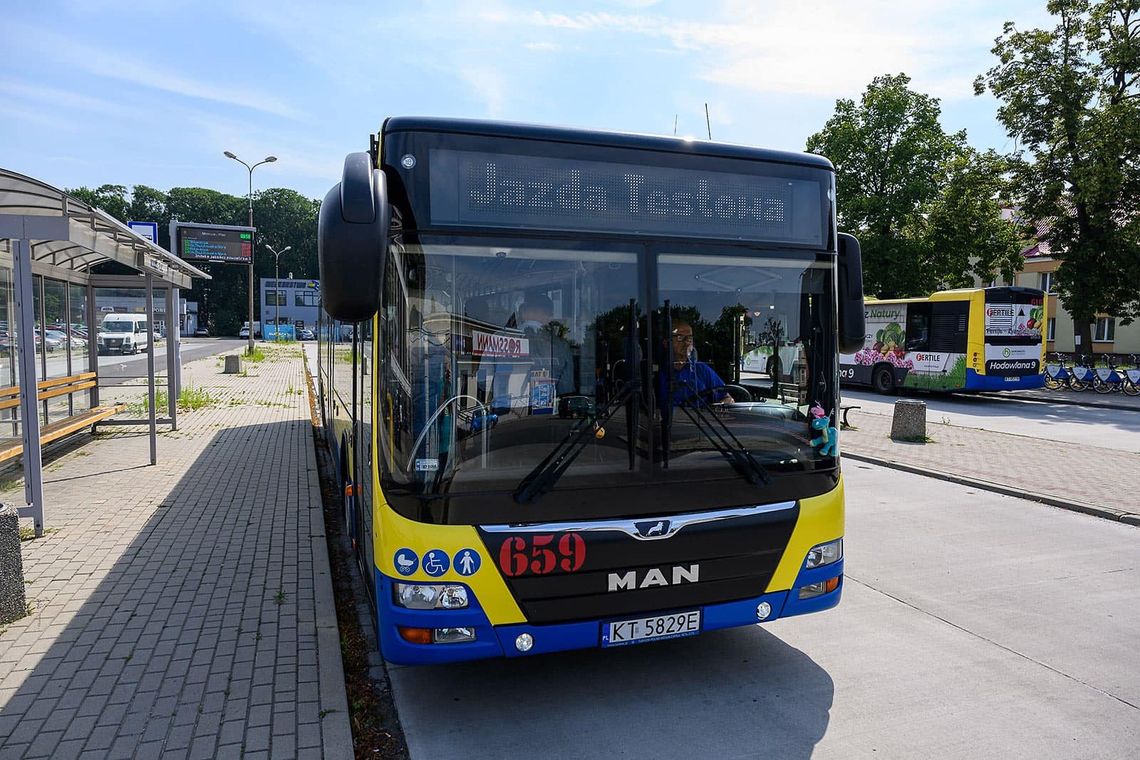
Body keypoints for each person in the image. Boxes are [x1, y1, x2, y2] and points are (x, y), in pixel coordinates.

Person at [661, 319, 735, 405]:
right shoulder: (657, 372)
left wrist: (720, 407)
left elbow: (727, 398)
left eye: (689, 338)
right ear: (666, 343)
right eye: (680, 338)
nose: (687, 343)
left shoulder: (701, 369)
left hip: (700, 418)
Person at [518, 293, 575, 395]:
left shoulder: (500, 338)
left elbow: (483, 383)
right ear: (549, 316)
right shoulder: (561, 346)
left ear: (523, 313)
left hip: (504, 408)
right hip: (548, 408)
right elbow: (565, 391)